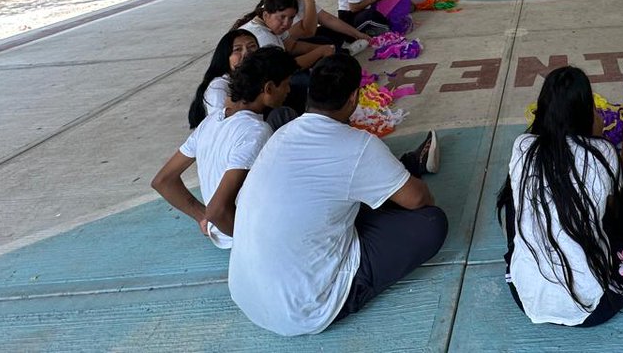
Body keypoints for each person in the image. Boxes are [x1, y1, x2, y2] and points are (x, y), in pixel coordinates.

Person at [228, 53, 447, 336]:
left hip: (247, 296)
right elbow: (419, 200)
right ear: (354, 97)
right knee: (431, 223)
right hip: (306, 309)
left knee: (346, 195)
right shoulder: (357, 144)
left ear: (309, 92)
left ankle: (397, 173)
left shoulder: (281, 134)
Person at [497, 67, 623, 327]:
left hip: (526, 296)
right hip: (596, 307)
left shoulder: (523, 146)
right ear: (586, 113)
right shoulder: (603, 152)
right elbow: (611, 212)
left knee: (519, 200)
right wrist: (597, 137)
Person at [153, 46, 296, 248]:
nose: (289, 90)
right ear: (269, 88)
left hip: (220, 230)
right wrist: (252, 244)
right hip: (237, 232)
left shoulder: (210, 122)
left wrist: (201, 216)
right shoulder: (256, 131)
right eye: (287, 84)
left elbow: (163, 181)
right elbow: (218, 210)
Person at [263, 0, 370, 51]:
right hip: (290, 45)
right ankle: (343, 52)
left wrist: (358, 34)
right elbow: (307, 33)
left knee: (334, 31)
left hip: (305, 36)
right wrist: (309, 0)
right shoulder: (280, 6)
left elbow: (327, 19)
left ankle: (339, 48)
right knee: (322, 40)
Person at [236, 0, 334, 71]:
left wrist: (324, 48)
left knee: (323, 41)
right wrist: (320, 51)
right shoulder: (264, 37)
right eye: (282, 17)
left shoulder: (273, 26)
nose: (287, 23)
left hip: (277, 68)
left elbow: (291, 46)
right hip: (263, 80)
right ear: (266, 15)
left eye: (291, 18)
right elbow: (286, 69)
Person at [188, 28, 258, 128]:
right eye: (237, 49)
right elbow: (220, 125)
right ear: (226, 56)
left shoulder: (256, 79)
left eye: (252, 47)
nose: (247, 53)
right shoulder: (219, 87)